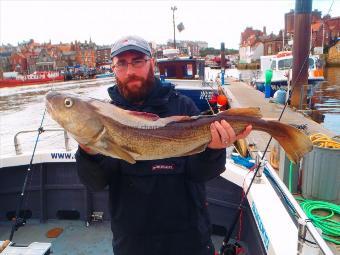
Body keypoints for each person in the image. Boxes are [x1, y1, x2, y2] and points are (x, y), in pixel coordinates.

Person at [75, 35, 252, 255]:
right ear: (114, 69)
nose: (130, 71)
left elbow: (201, 173)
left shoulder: (183, 106)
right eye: (122, 63)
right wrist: (88, 153)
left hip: (188, 239)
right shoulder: (106, 118)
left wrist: (214, 150)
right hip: (133, 243)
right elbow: (96, 183)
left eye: (137, 61)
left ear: (151, 63)